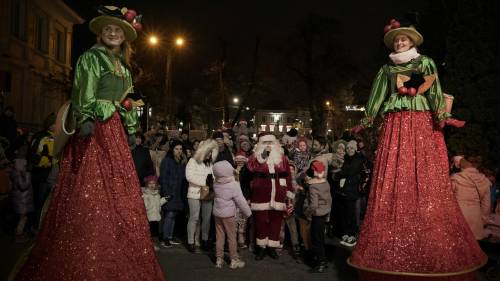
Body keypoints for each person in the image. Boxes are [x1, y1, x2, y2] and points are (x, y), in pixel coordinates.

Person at [14, 6, 166, 280]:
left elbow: (129, 99)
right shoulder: (90, 58)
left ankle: (117, 245)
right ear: (101, 33)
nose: (112, 32)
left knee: (118, 186)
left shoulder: (125, 67)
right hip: (94, 128)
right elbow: (83, 88)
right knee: (90, 184)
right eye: (107, 28)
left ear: (125, 37)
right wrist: (85, 117)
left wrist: (131, 126)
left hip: (115, 130)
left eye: (117, 29)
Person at [348, 17, 486, 280]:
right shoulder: (386, 69)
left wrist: (442, 116)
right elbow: (377, 95)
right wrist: (367, 119)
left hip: (420, 119)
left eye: (404, 39)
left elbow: (435, 92)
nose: (400, 42)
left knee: (423, 165)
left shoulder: (425, 62)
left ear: (411, 41)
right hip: (396, 121)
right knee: (395, 169)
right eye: (397, 39)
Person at [246, 132, 294, 260]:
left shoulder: (282, 157)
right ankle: (261, 247)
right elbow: (251, 168)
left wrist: (289, 192)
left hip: (278, 194)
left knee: (276, 222)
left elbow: (288, 175)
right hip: (261, 194)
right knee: (261, 222)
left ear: (275, 144)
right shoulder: (255, 157)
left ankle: (271, 247)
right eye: (265, 142)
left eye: (271, 142)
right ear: (260, 144)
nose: (268, 145)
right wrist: (263, 155)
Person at [212, 160, 252, 269]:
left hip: (217, 213)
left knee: (219, 236)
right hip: (228, 214)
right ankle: (234, 259)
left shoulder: (215, 183)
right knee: (231, 237)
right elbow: (241, 201)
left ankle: (219, 259)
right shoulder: (233, 184)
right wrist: (249, 213)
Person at [185, 139, 218, 253]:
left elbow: (214, 176)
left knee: (207, 219)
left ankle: (204, 240)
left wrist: (212, 181)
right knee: (194, 218)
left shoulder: (210, 164)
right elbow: (189, 176)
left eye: (211, 152)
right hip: (194, 193)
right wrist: (205, 182)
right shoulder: (193, 161)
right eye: (208, 152)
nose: (210, 154)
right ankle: (191, 242)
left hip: (207, 194)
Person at [451, 157, 491, 240]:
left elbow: (449, 199)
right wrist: (483, 220)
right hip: (475, 218)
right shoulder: (484, 180)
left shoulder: (456, 178)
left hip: (458, 216)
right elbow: (486, 204)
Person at [303, 161, 332, 273]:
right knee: (320, 238)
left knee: (316, 239)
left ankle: (321, 263)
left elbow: (313, 205)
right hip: (324, 213)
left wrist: (307, 212)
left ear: (314, 171)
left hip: (317, 215)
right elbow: (329, 200)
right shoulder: (326, 183)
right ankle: (322, 259)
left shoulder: (313, 186)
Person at [159, 140, 187, 247]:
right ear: (172, 149)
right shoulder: (167, 161)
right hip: (170, 192)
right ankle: (165, 237)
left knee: (173, 215)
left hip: (178, 192)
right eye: (176, 149)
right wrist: (167, 193)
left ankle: (170, 236)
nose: (179, 151)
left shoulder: (181, 161)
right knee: (169, 214)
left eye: (180, 149)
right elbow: (163, 178)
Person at [141, 175, 170, 250]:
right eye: (150, 183)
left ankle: (152, 245)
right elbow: (145, 206)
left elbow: (158, 203)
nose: (152, 185)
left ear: (156, 184)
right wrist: (147, 200)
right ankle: (147, 246)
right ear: (147, 185)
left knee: (154, 233)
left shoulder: (157, 194)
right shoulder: (145, 195)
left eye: (153, 183)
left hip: (156, 217)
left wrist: (164, 199)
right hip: (149, 217)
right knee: (149, 233)